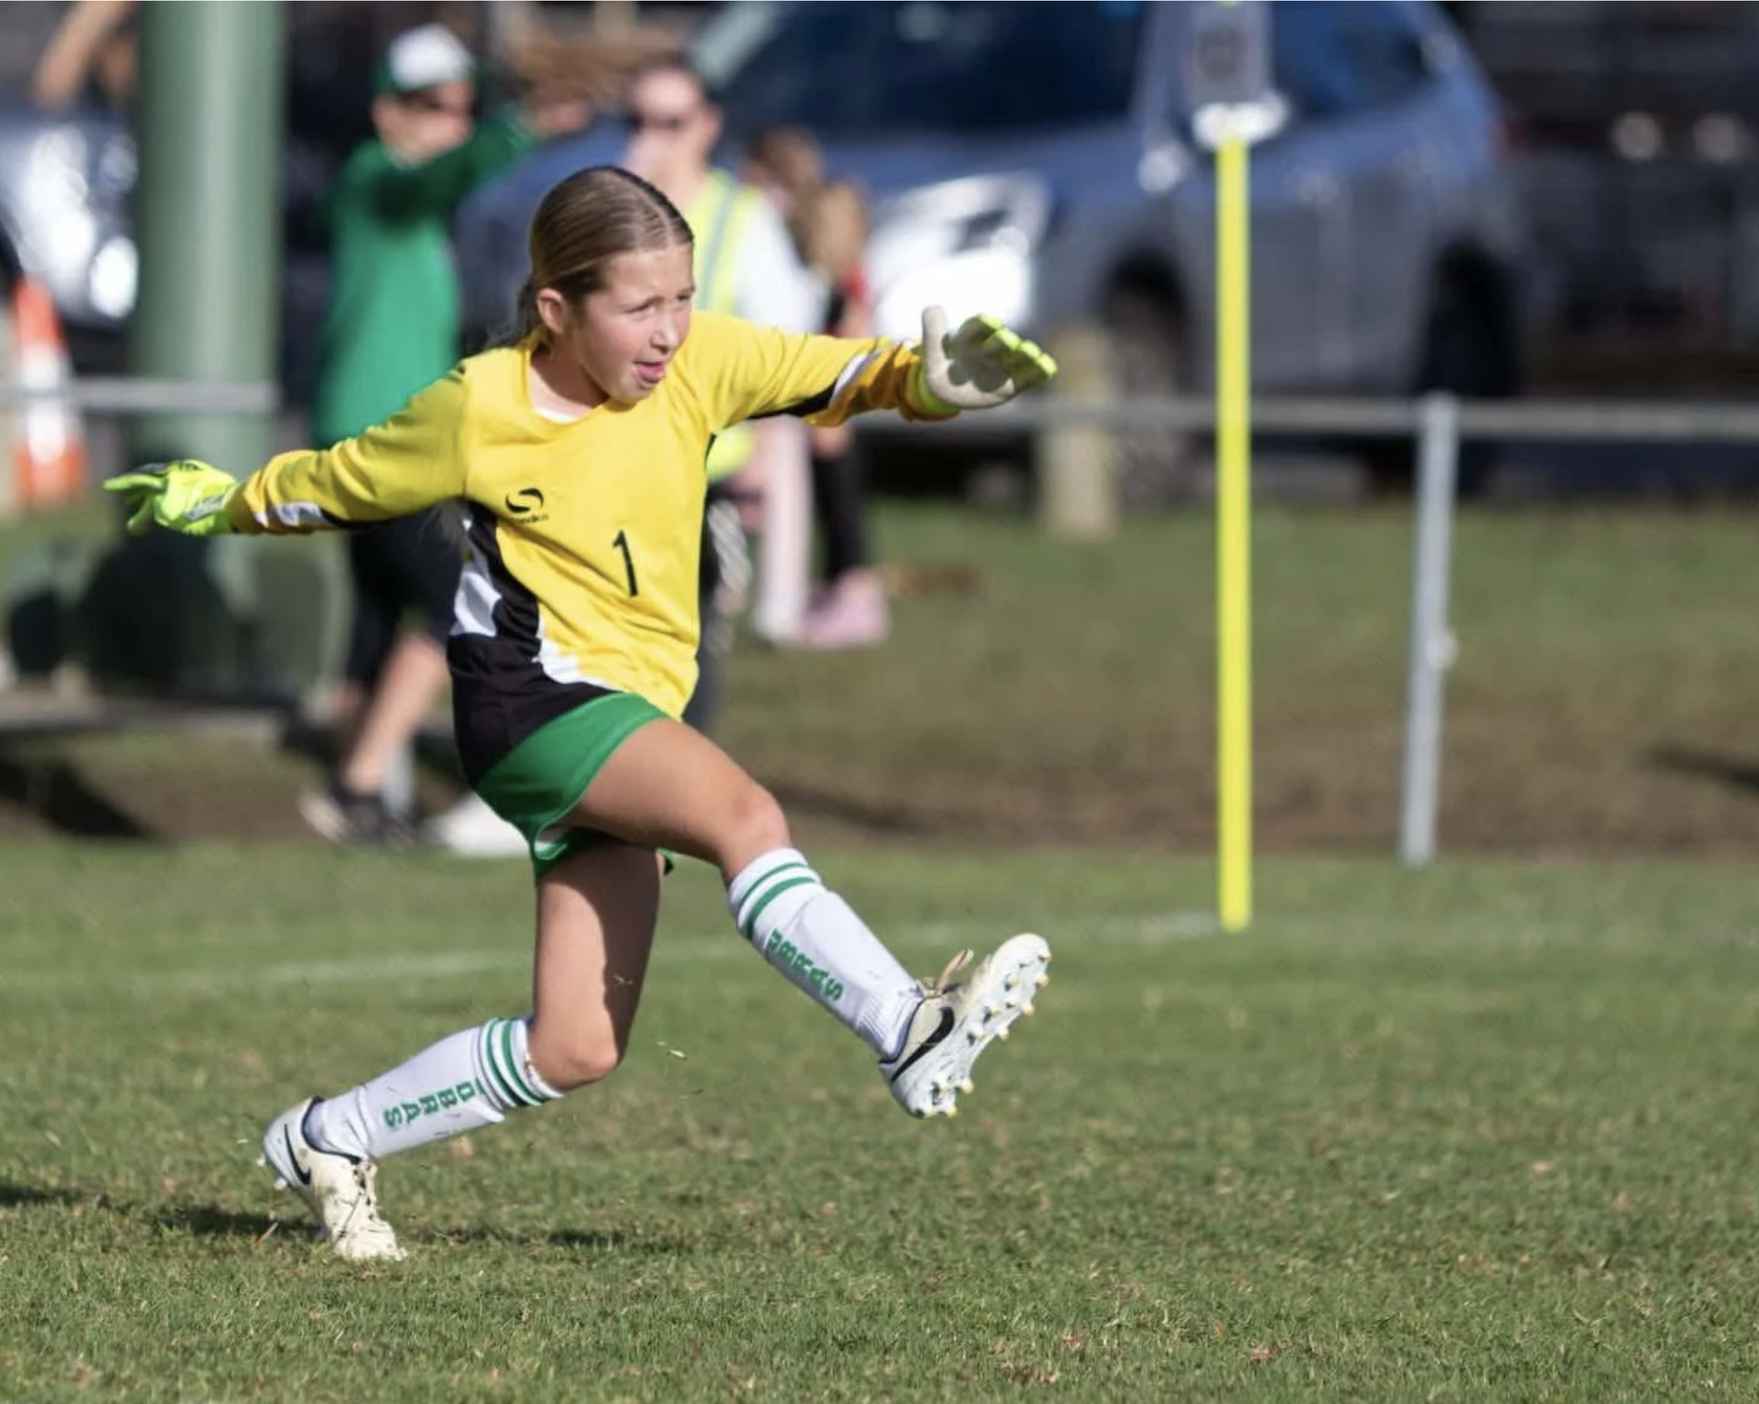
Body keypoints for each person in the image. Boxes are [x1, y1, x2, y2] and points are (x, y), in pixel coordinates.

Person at [103, 165, 1062, 1263]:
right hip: (532, 705)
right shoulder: (480, 406)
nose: (669, 331)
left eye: (683, 298)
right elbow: (343, 480)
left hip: (620, 711)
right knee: (744, 817)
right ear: (556, 310)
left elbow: (849, 374)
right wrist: (220, 500)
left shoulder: (699, 361)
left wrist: (933, 383)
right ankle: (906, 1028)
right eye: (638, 308)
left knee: (577, 1045)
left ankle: (332, 1137)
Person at [299, 22, 588, 857]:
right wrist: (522, 129)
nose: (450, 123)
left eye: (464, 107)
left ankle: (358, 786)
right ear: (387, 111)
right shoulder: (375, 181)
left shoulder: (404, 201)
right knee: (452, 605)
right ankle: (354, 785)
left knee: (379, 619)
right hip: (383, 444)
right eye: (432, 106)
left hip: (374, 439)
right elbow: (448, 174)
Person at [622, 56, 825, 721]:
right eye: (638, 120)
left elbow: (781, 354)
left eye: (671, 122)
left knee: (685, 646)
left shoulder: (741, 219)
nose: (653, 136)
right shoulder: (605, 215)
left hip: (708, 474)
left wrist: (765, 462)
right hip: (607, 469)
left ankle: (671, 801)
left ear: (707, 126)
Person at [742, 129, 889, 650]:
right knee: (826, 485)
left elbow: (850, 309)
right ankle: (836, 589)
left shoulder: (798, 225)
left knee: (834, 485)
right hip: (818, 374)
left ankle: (851, 592)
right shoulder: (802, 226)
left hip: (823, 378)